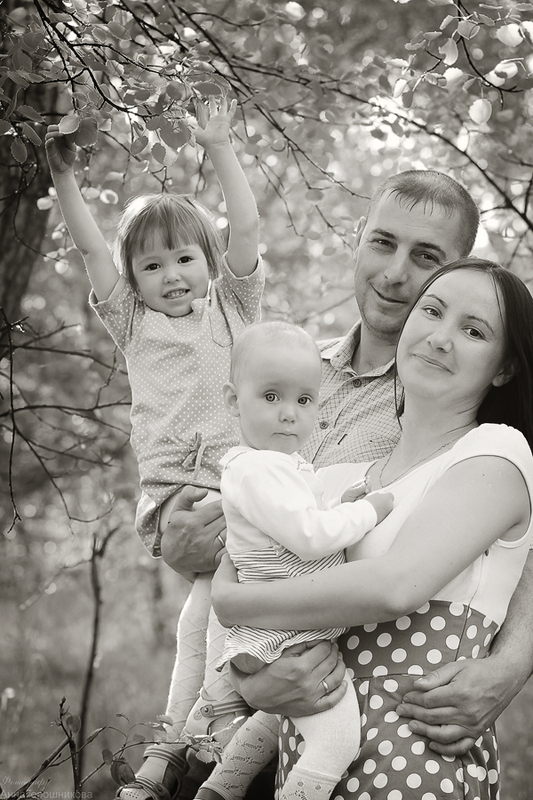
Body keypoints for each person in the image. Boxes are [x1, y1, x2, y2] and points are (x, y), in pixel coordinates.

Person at [160, 171, 533, 796]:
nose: (395, 273)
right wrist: (245, 666)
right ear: (358, 238)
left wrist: (513, 661)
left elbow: (459, 566)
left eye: (426, 258)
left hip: (403, 755)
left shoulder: (485, 442)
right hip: (271, 726)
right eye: (382, 242)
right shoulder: (286, 370)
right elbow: (217, 528)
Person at [45, 96, 264, 798]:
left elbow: (246, 228)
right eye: (152, 266)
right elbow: (89, 248)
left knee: (211, 617)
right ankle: (195, 743)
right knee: (214, 610)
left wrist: (219, 147)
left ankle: (182, 748)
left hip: (245, 487)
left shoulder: (233, 306)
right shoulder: (133, 324)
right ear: (133, 280)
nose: (172, 275)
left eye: (185, 258)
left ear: (208, 262)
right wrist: (63, 177)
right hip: (177, 492)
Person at [191, 320, 392, 800]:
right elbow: (308, 537)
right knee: (337, 739)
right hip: (286, 633)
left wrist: (340, 501)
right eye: (271, 396)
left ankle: (220, 788)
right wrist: (368, 510)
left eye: (304, 400)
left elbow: (298, 519)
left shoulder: (278, 466)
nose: (288, 414)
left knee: (276, 719)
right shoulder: (258, 469)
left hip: (286, 626)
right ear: (232, 400)